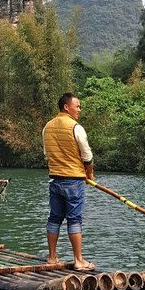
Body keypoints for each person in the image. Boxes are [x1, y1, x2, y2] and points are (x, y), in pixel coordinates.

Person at [42, 92, 96, 271]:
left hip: (55, 180)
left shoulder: (47, 127)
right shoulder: (76, 127)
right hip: (73, 181)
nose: (79, 109)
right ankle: (79, 261)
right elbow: (87, 156)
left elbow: (46, 155)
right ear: (67, 107)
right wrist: (89, 174)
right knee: (74, 219)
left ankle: (51, 258)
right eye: (77, 106)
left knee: (55, 217)